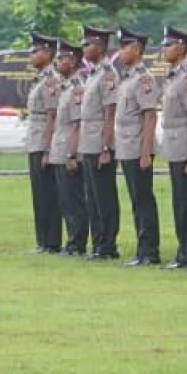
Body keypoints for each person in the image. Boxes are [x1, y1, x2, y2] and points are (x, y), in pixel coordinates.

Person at [111, 29, 161, 266]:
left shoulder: (143, 79)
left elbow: (150, 116)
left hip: (138, 146)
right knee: (135, 199)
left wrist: (145, 151)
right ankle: (143, 249)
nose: (120, 52)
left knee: (143, 199)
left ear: (137, 50)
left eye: (125, 47)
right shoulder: (128, 77)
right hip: (126, 145)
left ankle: (149, 250)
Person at [73, 26, 122, 261]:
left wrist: (106, 146)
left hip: (100, 141)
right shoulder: (93, 74)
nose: (83, 49)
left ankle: (108, 244)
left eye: (87, 44)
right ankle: (98, 242)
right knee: (91, 195)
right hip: (88, 140)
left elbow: (110, 112)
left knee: (104, 196)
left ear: (100, 47)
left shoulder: (108, 74)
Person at [156, 28, 187, 270]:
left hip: (185, 145)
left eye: (169, 45)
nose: (164, 50)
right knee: (179, 201)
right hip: (174, 145)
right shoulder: (174, 76)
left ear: (182, 48)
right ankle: (184, 250)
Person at [22, 33, 63, 255]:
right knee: (39, 193)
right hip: (35, 138)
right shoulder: (40, 78)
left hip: (43, 140)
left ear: (48, 53)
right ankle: (43, 240)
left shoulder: (51, 80)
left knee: (48, 193)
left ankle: (52, 240)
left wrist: (48, 148)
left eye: (36, 51)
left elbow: (53, 115)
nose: (32, 55)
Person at [46, 42, 88, 256]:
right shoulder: (65, 86)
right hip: (59, 147)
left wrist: (72, 153)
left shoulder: (77, 87)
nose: (58, 62)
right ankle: (71, 240)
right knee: (65, 199)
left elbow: (78, 123)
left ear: (72, 61)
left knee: (74, 200)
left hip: (69, 149)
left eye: (62, 59)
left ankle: (77, 242)